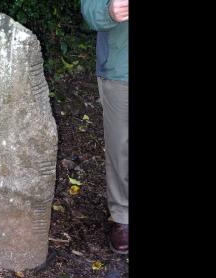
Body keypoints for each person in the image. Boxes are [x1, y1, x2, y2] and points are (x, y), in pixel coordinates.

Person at [81, 0, 129, 254]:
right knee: (120, 146)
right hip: (121, 69)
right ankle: (123, 216)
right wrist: (108, 11)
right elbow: (90, 8)